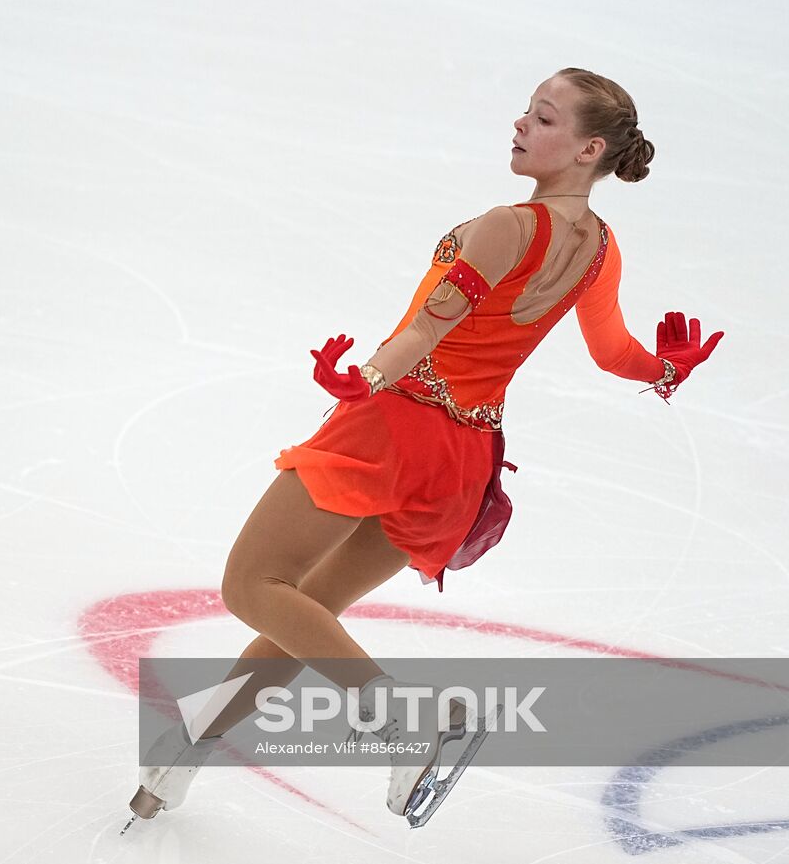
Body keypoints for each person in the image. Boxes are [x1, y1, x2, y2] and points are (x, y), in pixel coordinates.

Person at [128, 67, 725, 825]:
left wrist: (365, 377)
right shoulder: (601, 247)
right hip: (461, 461)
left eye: (543, 118)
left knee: (253, 587)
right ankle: (182, 756)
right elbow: (615, 353)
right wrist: (668, 367)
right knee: (304, 612)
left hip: (397, 422)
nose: (520, 124)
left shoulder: (506, 224)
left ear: (588, 149)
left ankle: (402, 721)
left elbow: (426, 330)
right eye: (526, 110)